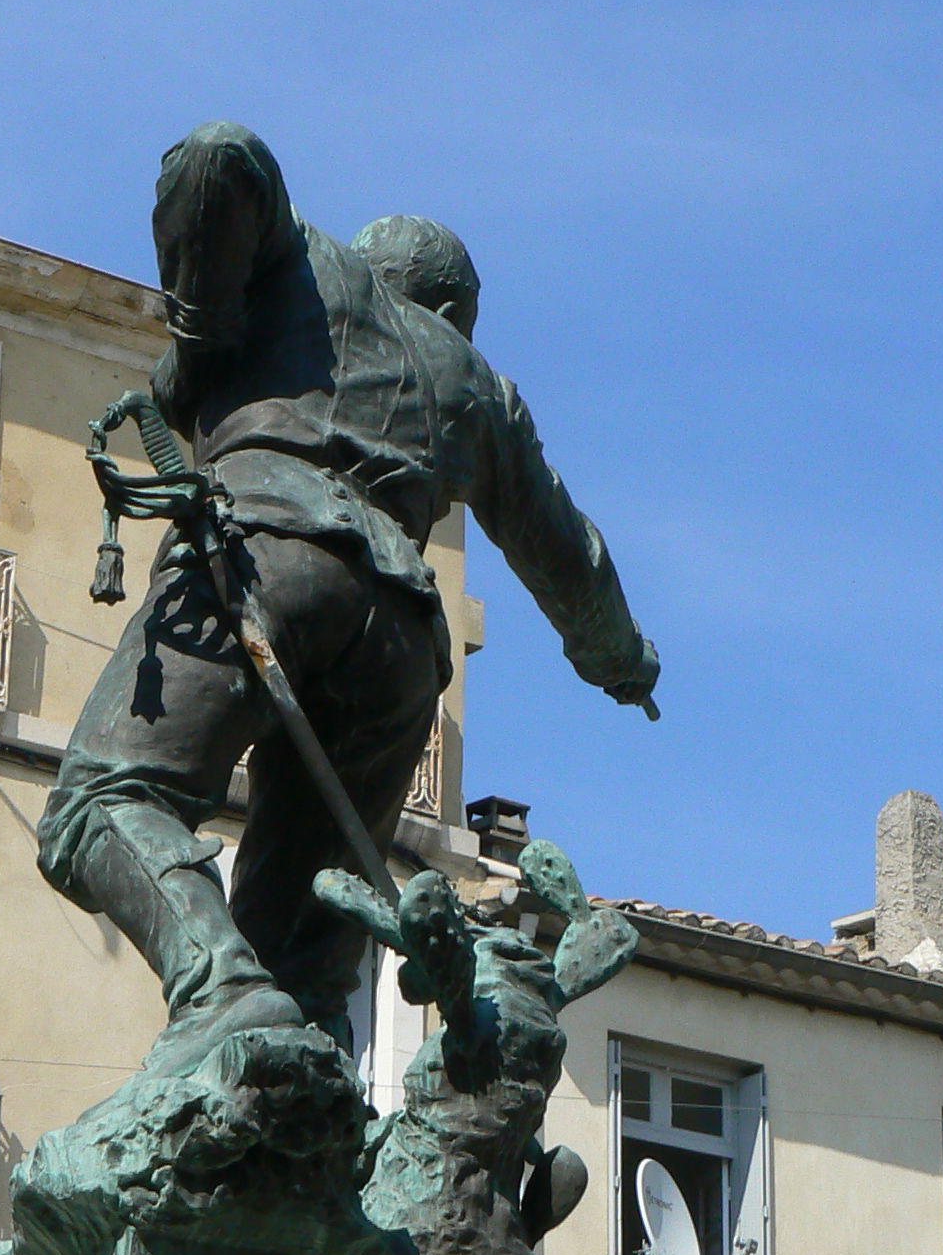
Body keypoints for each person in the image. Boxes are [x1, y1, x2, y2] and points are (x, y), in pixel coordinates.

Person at [37, 121, 658, 1067]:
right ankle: (294, 1108)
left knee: (102, 799)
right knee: (304, 952)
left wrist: (196, 333)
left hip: (268, 558)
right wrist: (622, 660)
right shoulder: (479, 386)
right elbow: (564, 549)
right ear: (451, 307)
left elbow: (214, 157)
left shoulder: (303, 263)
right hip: (402, 645)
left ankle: (220, 990)